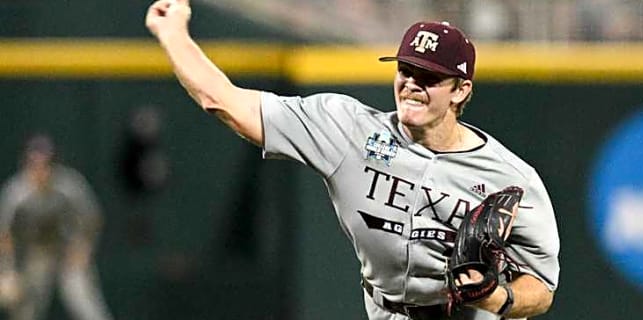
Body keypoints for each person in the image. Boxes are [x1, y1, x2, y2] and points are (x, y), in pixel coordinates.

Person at [145, 1, 560, 319]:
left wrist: (498, 297)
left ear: (461, 90)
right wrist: (173, 32)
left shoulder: (511, 178)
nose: (412, 84)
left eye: (429, 77)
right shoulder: (348, 131)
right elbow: (223, 101)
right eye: (406, 70)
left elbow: (541, 288)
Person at [0, 134, 113, 320]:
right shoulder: (16, 192)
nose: (40, 169)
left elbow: (92, 217)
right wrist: (7, 270)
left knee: (88, 308)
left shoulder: (69, 184)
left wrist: (84, 248)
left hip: (66, 252)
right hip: (35, 255)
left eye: (46, 163)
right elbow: (4, 234)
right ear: (25, 163)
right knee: (26, 313)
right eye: (34, 163)